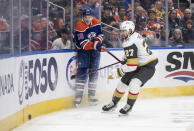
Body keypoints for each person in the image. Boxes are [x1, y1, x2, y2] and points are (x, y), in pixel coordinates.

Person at [102, 21, 158, 115]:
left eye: (124, 31)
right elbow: (133, 52)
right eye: (121, 31)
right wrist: (125, 58)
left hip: (148, 66)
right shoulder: (134, 35)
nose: (122, 33)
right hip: (140, 63)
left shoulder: (129, 42)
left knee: (134, 83)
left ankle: (129, 105)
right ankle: (114, 103)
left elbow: (132, 67)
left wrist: (118, 72)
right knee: (122, 83)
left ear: (130, 30)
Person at [73, 8, 105, 107]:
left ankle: (91, 97)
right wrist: (96, 45)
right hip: (83, 52)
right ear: (83, 17)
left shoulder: (96, 22)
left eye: (89, 17)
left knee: (94, 72)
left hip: (94, 52)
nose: (87, 19)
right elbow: (83, 44)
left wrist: (97, 41)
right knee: (82, 72)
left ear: (93, 17)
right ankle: (78, 98)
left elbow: (101, 35)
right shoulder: (79, 25)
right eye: (85, 17)